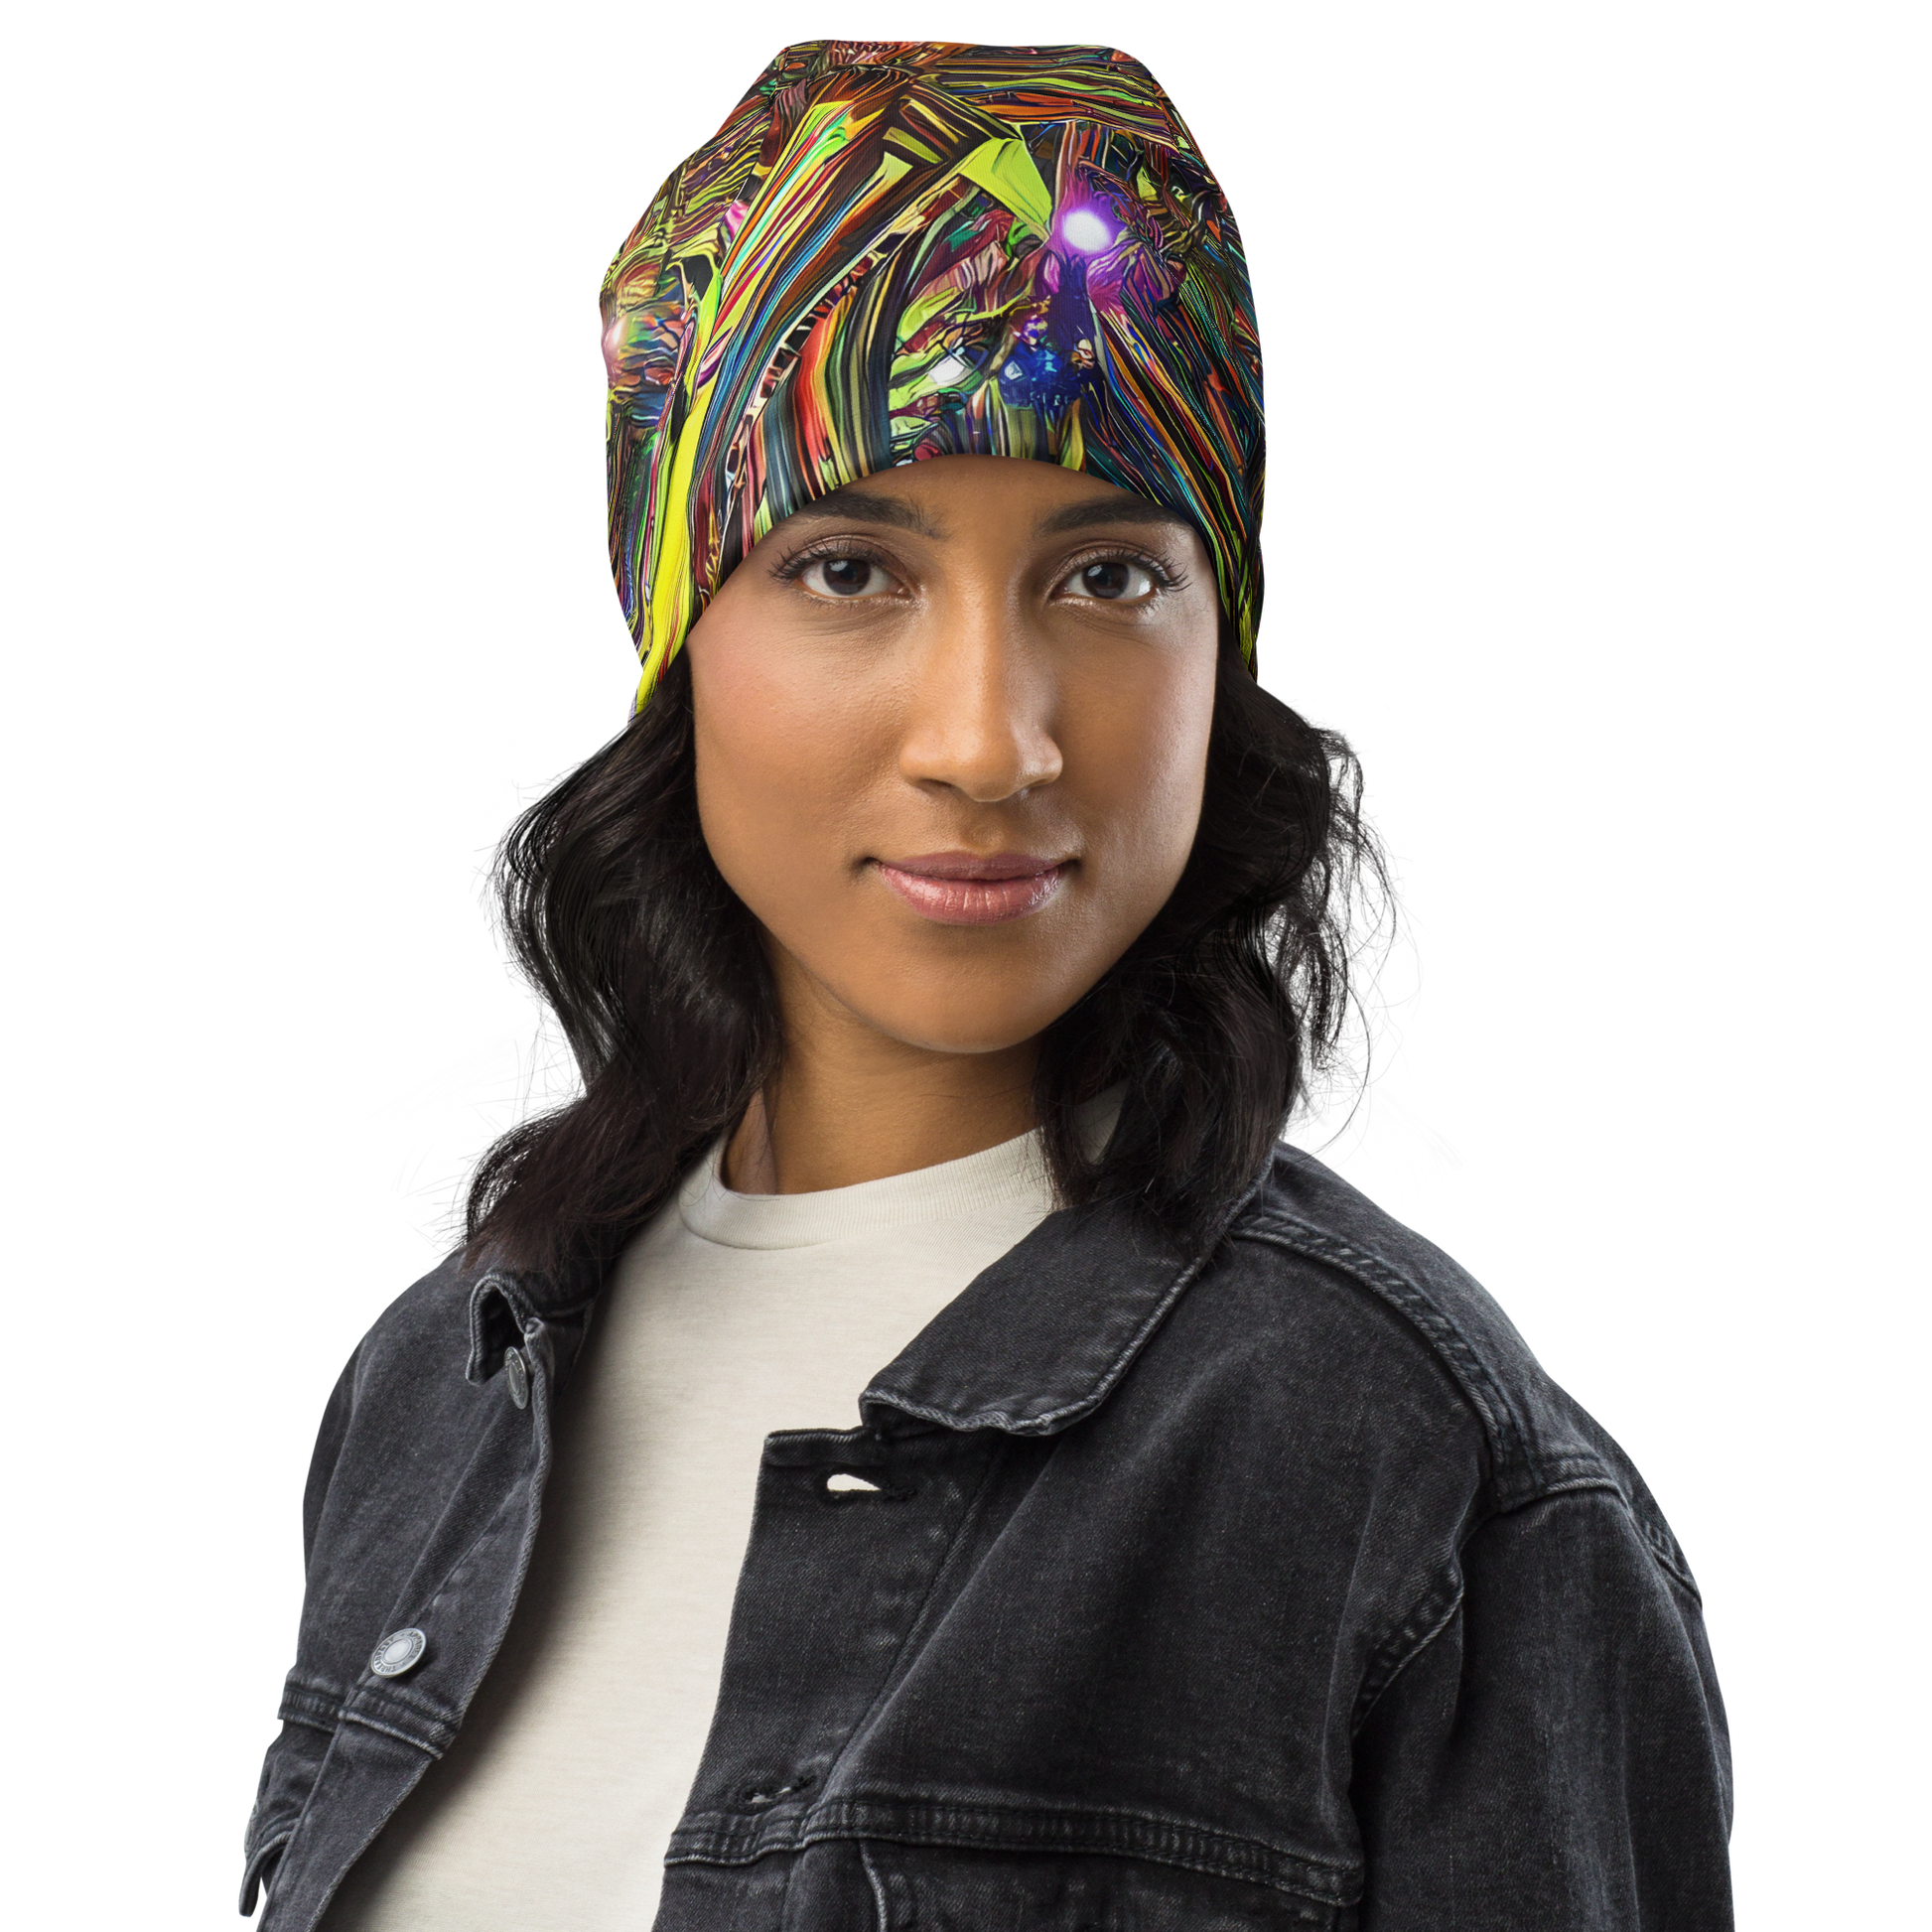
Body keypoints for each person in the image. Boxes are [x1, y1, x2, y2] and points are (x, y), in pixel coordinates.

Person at [237, 37, 1736, 1931]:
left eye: (1105, 578)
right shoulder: (438, 1378)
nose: (988, 740)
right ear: (678, 637)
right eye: (849, 568)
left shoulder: (1408, 1457)